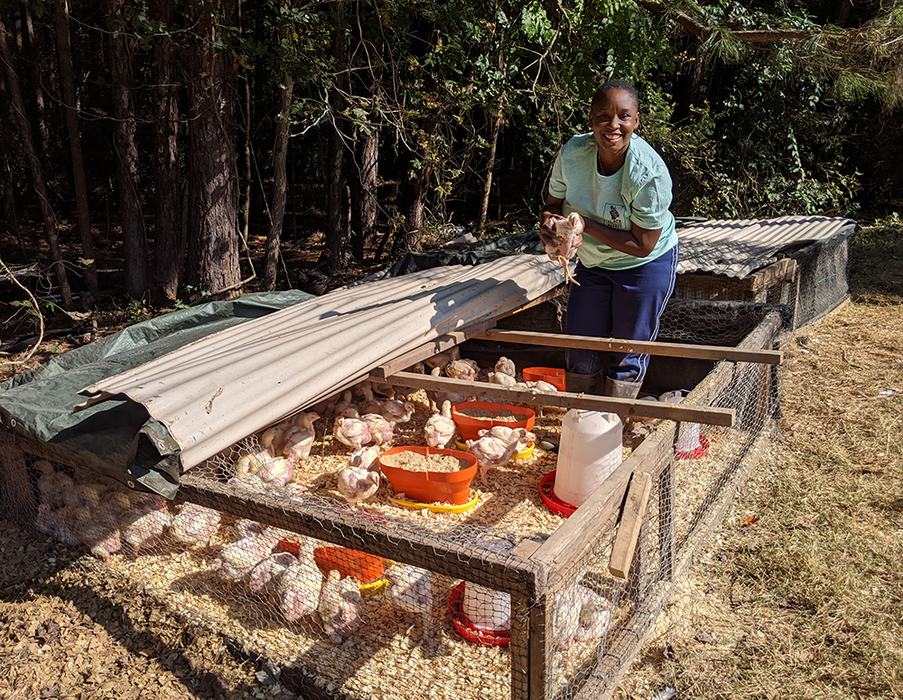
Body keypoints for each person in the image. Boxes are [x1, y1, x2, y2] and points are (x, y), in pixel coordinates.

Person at [539, 79, 678, 400]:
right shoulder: (573, 153)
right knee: (580, 343)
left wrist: (585, 226)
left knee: (628, 347)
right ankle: (582, 415)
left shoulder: (649, 173)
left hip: (645, 264)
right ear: (591, 119)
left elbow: (643, 243)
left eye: (624, 117)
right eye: (603, 116)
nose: (613, 125)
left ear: (636, 121)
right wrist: (550, 225)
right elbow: (552, 205)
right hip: (593, 263)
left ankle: (614, 424)